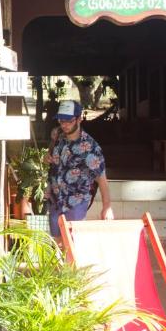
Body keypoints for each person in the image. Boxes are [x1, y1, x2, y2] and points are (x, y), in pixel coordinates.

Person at [46, 100, 113, 246]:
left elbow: (101, 179)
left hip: (76, 202)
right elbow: (52, 160)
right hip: (56, 200)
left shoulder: (90, 148)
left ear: (79, 119)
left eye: (69, 121)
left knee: (72, 243)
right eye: (61, 121)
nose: (64, 125)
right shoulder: (58, 136)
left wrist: (107, 207)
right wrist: (48, 157)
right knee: (56, 244)